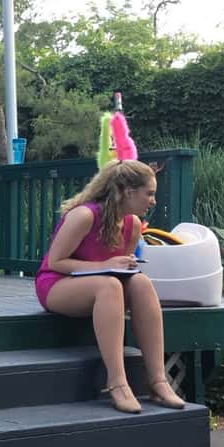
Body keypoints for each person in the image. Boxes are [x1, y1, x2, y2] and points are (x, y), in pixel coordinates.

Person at [34, 160, 186, 414]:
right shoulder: (84, 216)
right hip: (58, 284)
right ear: (128, 192)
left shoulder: (133, 225)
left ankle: (158, 380)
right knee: (110, 287)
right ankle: (116, 382)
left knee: (140, 282)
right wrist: (104, 264)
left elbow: (119, 273)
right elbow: (56, 262)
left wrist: (125, 265)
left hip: (102, 286)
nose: (153, 201)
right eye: (149, 193)